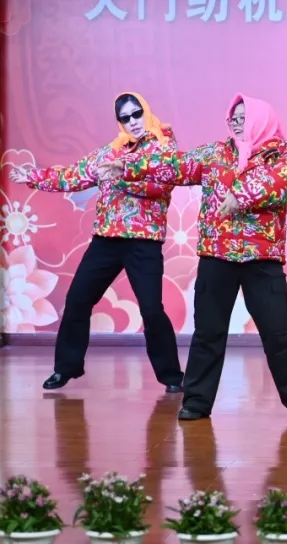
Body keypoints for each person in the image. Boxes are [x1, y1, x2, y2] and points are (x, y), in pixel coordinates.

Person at [101, 93, 287, 421]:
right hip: (217, 255)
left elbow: (281, 186)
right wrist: (129, 166)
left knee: (278, 332)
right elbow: (175, 165)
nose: (237, 125)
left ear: (261, 120)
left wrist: (241, 196)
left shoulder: (279, 156)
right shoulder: (216, 153)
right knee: (208, 332)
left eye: (244, 119)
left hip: (261, 259)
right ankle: (196, 402)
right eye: (233, 120)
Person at [9, 92, 184, 393]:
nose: (133, 122)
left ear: (146, 112)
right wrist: (32, 176)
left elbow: (161, 183)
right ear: (120, 122)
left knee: (151, 309)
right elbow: (73, 175)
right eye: (125, 118)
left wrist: (122, 173)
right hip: (106, 240)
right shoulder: (110, 152)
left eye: (137, 114)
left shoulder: (163, 145)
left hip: (143, 241)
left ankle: (171, 376)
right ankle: (65, 368)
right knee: (78, 300)